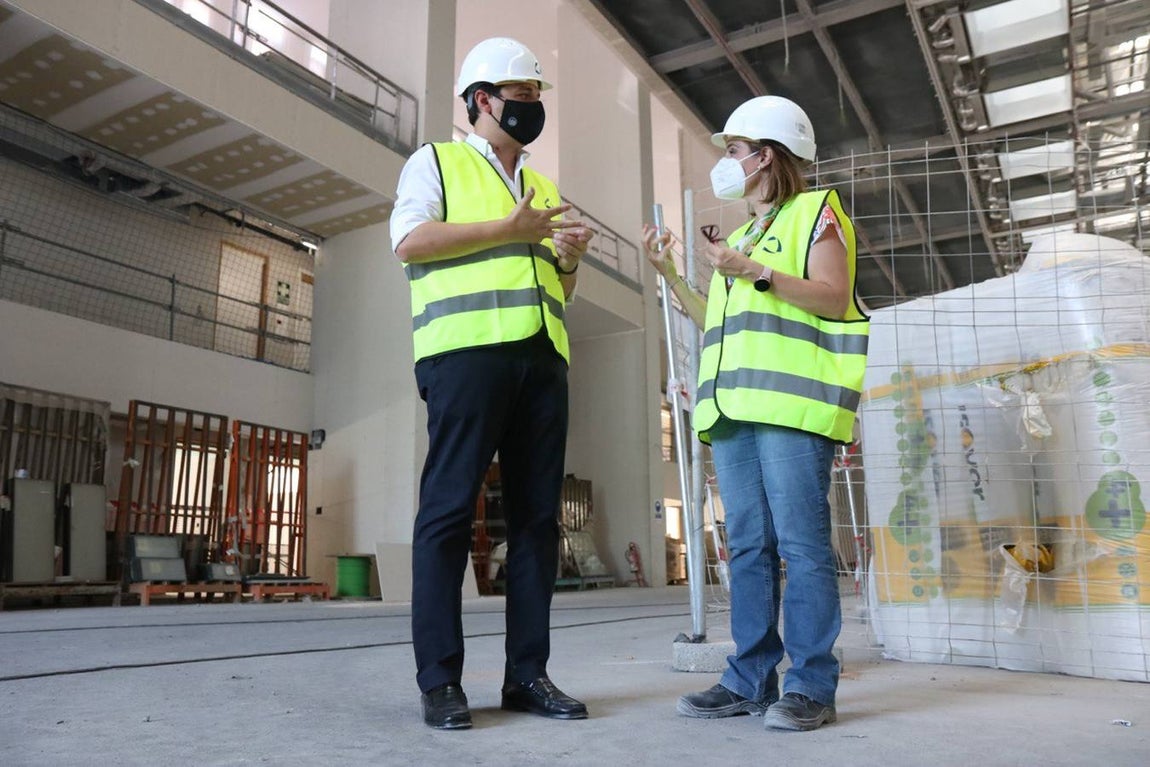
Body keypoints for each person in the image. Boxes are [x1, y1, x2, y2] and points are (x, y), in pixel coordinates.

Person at [642, 95, 869, 732]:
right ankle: (748, 678)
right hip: (735, 410)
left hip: (793, 408)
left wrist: (758, 272)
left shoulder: (814, 213)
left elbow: (831, 297)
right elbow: (709, 317)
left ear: (766, 156)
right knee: (747, 547)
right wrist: (669, 273)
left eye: (735, 151)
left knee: (801, 544)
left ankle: (811, 687)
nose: (728, 162)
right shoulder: (742, 237)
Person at [389, 36, 594, 730]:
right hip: (466, 356)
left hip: (541, 358)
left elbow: (555, 287)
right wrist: (507, 229)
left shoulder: (543, 187)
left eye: (537, 97)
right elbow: (409, 242)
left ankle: (527, 675)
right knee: (447, 513)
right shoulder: (436, 163)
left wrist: (567, 259)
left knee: (537, 524)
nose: (532, 108)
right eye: (523, 95)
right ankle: (441, 679)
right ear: (482, 99)